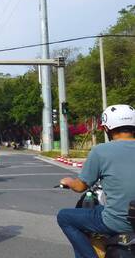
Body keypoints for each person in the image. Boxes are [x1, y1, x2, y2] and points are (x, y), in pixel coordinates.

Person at [57, 104, 135, 258]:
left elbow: (80, 186)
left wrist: (69, 181)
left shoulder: (100, 151)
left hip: (117, 221)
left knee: (64, 217)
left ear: (107, 128)